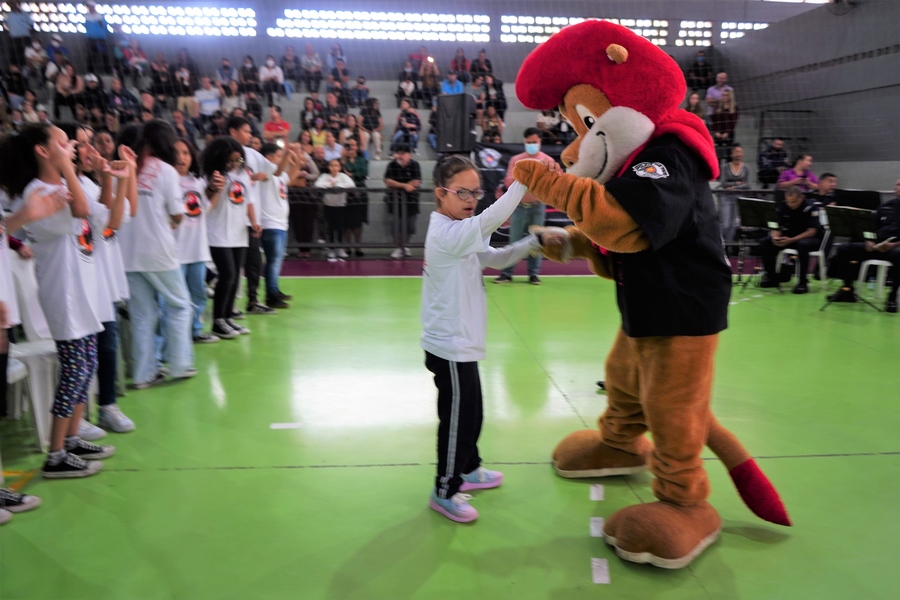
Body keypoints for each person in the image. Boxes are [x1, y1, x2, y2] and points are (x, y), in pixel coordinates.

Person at [421, 154, 557, 522]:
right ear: (441, 193)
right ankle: (444, 489)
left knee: (473, 414)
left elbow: (494, 259)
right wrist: (524, 182)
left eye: (475, 192)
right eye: (462, 191)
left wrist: (534, 243)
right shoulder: (446, 233)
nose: (470, 199)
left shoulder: (460, 229)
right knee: (457, 421)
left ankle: (469, 469)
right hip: (448, 348)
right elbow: (491, 219)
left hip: (462, 345)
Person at [0, 123, 114, 478]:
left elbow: (102, 216)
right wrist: (68, 168)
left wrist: (100, 174)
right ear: (43, 151)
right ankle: (55, 454)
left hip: (81, 287)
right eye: (64, 143)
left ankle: (72, 436)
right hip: (62, 292)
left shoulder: (62, 185)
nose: (74, 148)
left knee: (88, 364)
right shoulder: (37, 192)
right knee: (75, 370)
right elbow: (81, 210)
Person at [119, 120, 197, 387]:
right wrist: (171, 221)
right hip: (159, 252)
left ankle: (143, 374)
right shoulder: (166, 171)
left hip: (127, 253)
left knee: (142, 315)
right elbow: (177, 213)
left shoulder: (127, 167)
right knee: (179, 305)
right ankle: (179, 364)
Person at [201, 136, 254, 338]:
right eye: (230, 161)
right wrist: (214, 188)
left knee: (235, 277)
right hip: (218, 233)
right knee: (227, 275)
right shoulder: (211, 175)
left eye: (237, 161)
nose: (234, 165)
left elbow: (247, 201)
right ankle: (217, 321)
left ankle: (227, 316)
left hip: (238, 233)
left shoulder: (243, 175)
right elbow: (205, 198)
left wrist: (253, 222)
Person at [173, 137, 221, 343]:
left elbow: (205, 210)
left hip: (197, 251)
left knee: (198, 294)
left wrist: (216, 189)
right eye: (177, 152)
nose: (181, 157)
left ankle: (195, 330)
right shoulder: (167, 180)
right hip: (175, 253)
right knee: (176, 299)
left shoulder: (199, 182)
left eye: (186, 153)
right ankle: (176, 337)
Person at [827, 179, 900, 313]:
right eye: (897, 184)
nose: (898, 187)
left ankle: (892, 297)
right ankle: (847, 290)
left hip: (895, 247)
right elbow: (870, 226)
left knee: (898, 254)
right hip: (877, 245)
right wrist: (869, 240)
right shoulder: (886, 206)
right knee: (844, 249)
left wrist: (893, 245)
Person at [495, 128, 553, 285]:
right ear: (524, 142)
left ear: (540, 141)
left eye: (534, 142)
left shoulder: (547, 160)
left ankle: (533, 274)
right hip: (519, 206)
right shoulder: (516, 160)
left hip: (538, 206)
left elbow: (551, 184)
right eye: (528, 142)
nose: (531, 145)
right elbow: (508, 181)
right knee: (514, 241)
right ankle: (507, 273)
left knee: (536, 241)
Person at [228, 116, 273, 316]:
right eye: (245, 131)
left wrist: (288, 155)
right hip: (231, 217)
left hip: (249, 215)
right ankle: (230, 304)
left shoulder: (253, 154)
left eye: (250, 131)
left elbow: (273, 171)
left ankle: (253, 299)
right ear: (233, 132)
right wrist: (253, 177)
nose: (249, 135)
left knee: (254, 260)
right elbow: (235, 173)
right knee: (233, 266)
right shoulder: (227, 151)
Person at [759, 186, 823, 293]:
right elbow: (778, 226)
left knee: (802, 245)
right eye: (788, 202)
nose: (790, 204)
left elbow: (812, 231)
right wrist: (775, 237)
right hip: (789, 238)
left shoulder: (811, 207)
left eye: (793, 202)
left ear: (801, 198)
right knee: (766, 242)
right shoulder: (784, 206)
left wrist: (792, 240)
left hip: (810, 239)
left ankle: (802, 282)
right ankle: (771, 277)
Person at [258, 143, 299, 307]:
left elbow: (293, 174)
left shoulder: (279, 176)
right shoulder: (267, 173)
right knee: (273, 260)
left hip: (281, 223)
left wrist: (297, 156)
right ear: (268, 158)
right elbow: (279, 169)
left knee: (277, 260)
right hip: (270, 223)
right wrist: (288, 154)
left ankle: (274, 289)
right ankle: (271, 295)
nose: (282, 158)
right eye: (278, 155)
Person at [384, 144, 420, 258]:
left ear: (409, 155)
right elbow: (388, 181)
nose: (399, 156)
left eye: (402, 154)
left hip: (411, 201)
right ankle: (399, 247)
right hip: (395, 201)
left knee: (410, 226)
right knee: (397, 226)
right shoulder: (391, 165)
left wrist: (401, 186)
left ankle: (406, 246)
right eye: (398, 153)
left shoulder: (415, 165)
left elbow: (416, 182)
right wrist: (404, 186)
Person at [315, 158, 355, 261]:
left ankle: (340, 248)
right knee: (330, 228)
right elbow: (318, 184)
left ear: (340, 167)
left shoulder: (343, 176)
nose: (334, 168)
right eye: (332, 165)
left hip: (341, 206)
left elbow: (351, 185)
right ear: (329, 167)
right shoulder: (324, 176)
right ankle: (331, 249)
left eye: (336, 165)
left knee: (340, 228)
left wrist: (337, 185)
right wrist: (329, 185)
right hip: (328, 205)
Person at [717, 145, 751, 245]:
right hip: (726, 197)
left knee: (733, 224)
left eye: (740, 152)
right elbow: (723, 183)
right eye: (736, 152)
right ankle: (719, 244)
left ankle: (728, 245)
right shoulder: (725, 167)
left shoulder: (746, 168)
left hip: (739, 197)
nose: (738, 154)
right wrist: (738, 183)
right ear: (731, 154)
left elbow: (747, 184)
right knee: (725, 223)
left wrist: (733, 186)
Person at [342, 138, 368, 256]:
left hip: (360, 193)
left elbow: (363, 173)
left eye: (353, 145)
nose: (351, 148)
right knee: (346, 221)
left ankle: (358, 246)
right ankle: (347, 246)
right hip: (346, 194)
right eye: (348, 145)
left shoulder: (362, 160)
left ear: (357, 147)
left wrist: (351, 174)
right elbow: (341, 173)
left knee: (358, 221)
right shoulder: (343, 160)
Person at [710, 90, 739, 160]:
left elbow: (733, 122)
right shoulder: (717, 107)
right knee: (717, 154)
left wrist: (727, 132)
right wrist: (716, 131)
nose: (724, 97)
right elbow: (714, 120)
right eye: (723, 95)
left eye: (726, 95)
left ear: (730, 97)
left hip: (729, 133)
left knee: (728, 154)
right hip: (718, 133)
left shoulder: (734, 108)